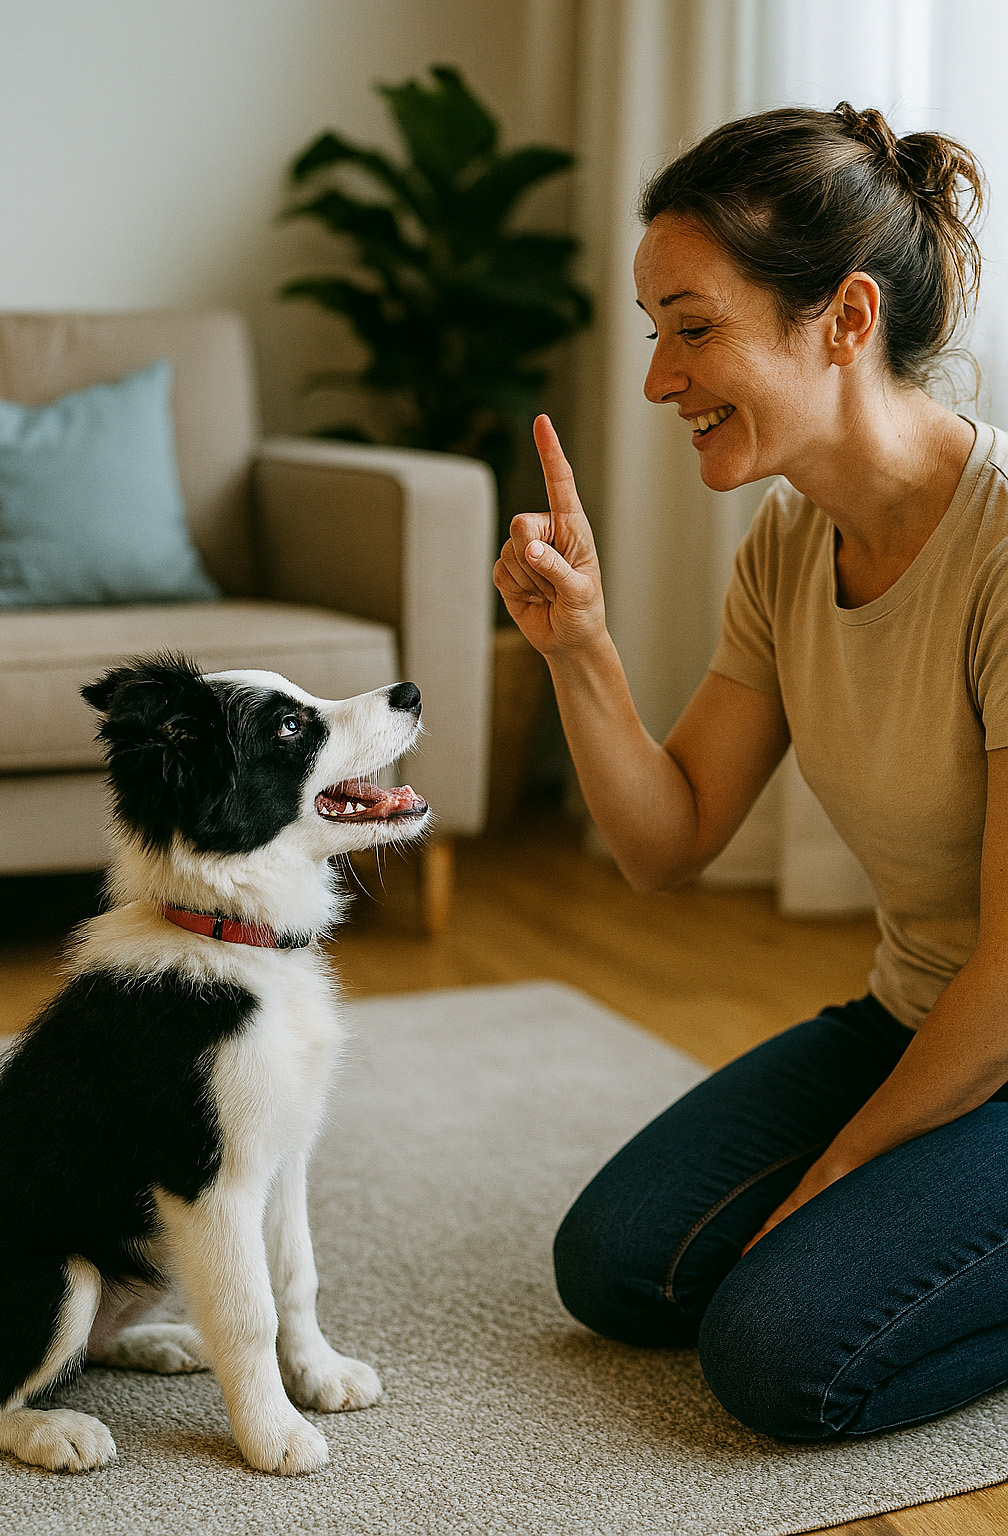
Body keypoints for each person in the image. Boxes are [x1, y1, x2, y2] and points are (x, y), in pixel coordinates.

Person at [492, 102, 1008, 1442]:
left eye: (695, 327)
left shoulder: (1004, 554)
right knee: (614, 1264)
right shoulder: (789, 547)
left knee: (783, 1354)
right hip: (923, 1014)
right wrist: (580, 648)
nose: (661, 381)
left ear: (843, 320)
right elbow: (670, 845)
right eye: (658, 334)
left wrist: (833, 1180)